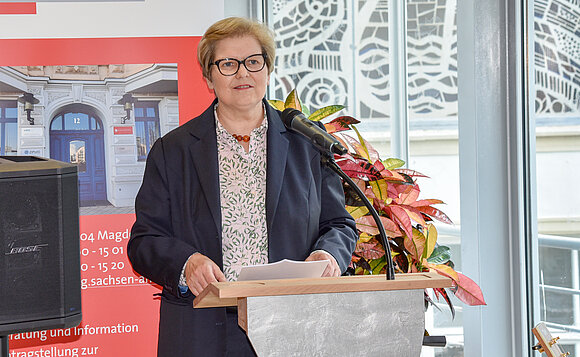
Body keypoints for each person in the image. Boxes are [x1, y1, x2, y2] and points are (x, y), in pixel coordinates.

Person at [127, 17, 358, 357]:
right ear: (208, 76)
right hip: (201, 329)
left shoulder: (306, 142)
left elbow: (340, 224)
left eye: (253, 61)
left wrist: (329, 255)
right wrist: (187, 262)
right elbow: (145, 241)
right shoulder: (173, 150)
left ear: (267, 69)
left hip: (293, 324)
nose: (242, 74)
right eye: (228, 64)